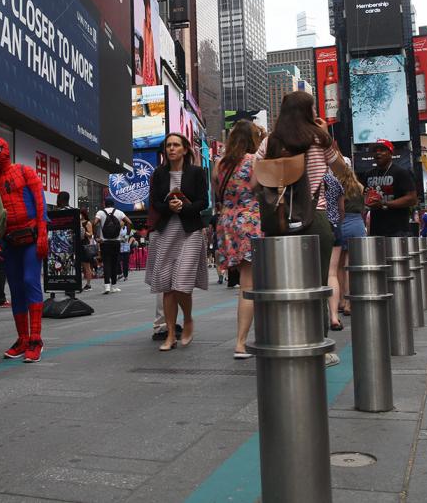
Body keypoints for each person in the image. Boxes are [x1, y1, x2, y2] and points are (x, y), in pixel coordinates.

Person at [255, 91, 350, 366]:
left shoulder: (270, 141)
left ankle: (283, 341)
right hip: (314, 218)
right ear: (309, 111)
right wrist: (327, 136)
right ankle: (317, 348)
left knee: (281, 285)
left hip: (279, 219)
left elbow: (254, 179)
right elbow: (342, 171)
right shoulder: (319, 138)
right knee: (316, 285)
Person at [0, 137, 49, 364]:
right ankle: (23, 339)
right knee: (15, 288)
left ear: (4, 150)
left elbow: (40, 204)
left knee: (30, 280)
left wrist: (42, 233)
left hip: (30, 237)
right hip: (8, 241)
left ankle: (36, 339)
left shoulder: (25, 172)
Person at [146, 133, 209, 351]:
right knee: (167, 286)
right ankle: (170, 334)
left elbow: (204, 201)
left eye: (176, 145)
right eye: (168, 146)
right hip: (166, 231)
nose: (172, 149)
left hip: (190, 230)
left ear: (185, 149)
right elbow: (154, 202)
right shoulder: (159, 174)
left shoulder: (197, 173)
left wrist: (184, 207)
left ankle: (188, 319)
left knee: (181, 282)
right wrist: (169, 207)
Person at [214, 120, 262, 359]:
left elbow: (218, 193)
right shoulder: (254, 161)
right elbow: (257, 187)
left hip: (227, 223)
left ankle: (249, 338)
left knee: (248, 282)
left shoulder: (219, 165)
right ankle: (241, 343)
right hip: (250, 222)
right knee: (249, 284)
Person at [359, 140, 418, 237]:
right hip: (376, 229)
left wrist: (384, 203)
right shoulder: (368, 174)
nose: (378, 153)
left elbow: (412, 199)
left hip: (398, 230)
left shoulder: (401, 173)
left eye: (382, 150)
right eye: (375, 150)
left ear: (391, 153)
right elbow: (363, 196)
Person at [334, 162, 365, 318]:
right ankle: (349, 302)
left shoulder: (336, 185)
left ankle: (340, 301)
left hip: (342, 222)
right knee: (351, 266)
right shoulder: (359, 187)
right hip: (357, 223)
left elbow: (337, 208)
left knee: (339, 266)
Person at [323, 171, 345, 331]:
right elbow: (341, 209)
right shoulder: (334, 180)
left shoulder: (306, 176)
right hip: (334, 226)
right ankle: (334, 317)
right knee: (332, 273)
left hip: (314, 225)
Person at [96, 197, 131, 294]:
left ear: (104, 204)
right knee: (114, 263)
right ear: (113, 204)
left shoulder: (100, 212)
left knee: (106, 263)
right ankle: (114, 286)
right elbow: (129, 222)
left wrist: (97, 236)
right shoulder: (119, 212)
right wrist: (126, 236)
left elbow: (95, 223)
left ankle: (107, 286)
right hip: (116, 242)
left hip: (104, 242)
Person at [79, 208, 96, 290]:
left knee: (86, 266)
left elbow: (91, 234)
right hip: (77, 244)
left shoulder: (87, 222)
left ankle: (88, 284)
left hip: (84, 245)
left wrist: (84, 231)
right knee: (79, 265)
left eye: (80, 213)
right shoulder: (77, 222)